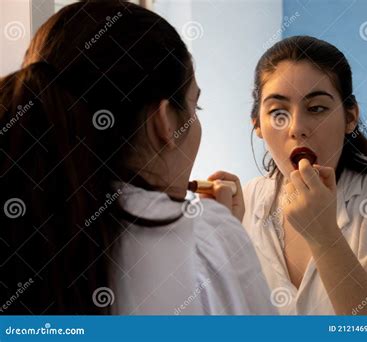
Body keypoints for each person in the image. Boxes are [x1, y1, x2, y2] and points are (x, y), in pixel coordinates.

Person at [0, 1, 274, 315]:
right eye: (195, 107)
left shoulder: (25, 219)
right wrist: (218, 246)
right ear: (166, 121)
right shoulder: (207, 237)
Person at [243, 35, 367, 315]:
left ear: (350, 118)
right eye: (278, 112)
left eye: (317, 109)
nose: (297, 128)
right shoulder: (246, 201)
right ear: (258, 126)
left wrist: (324, 236)